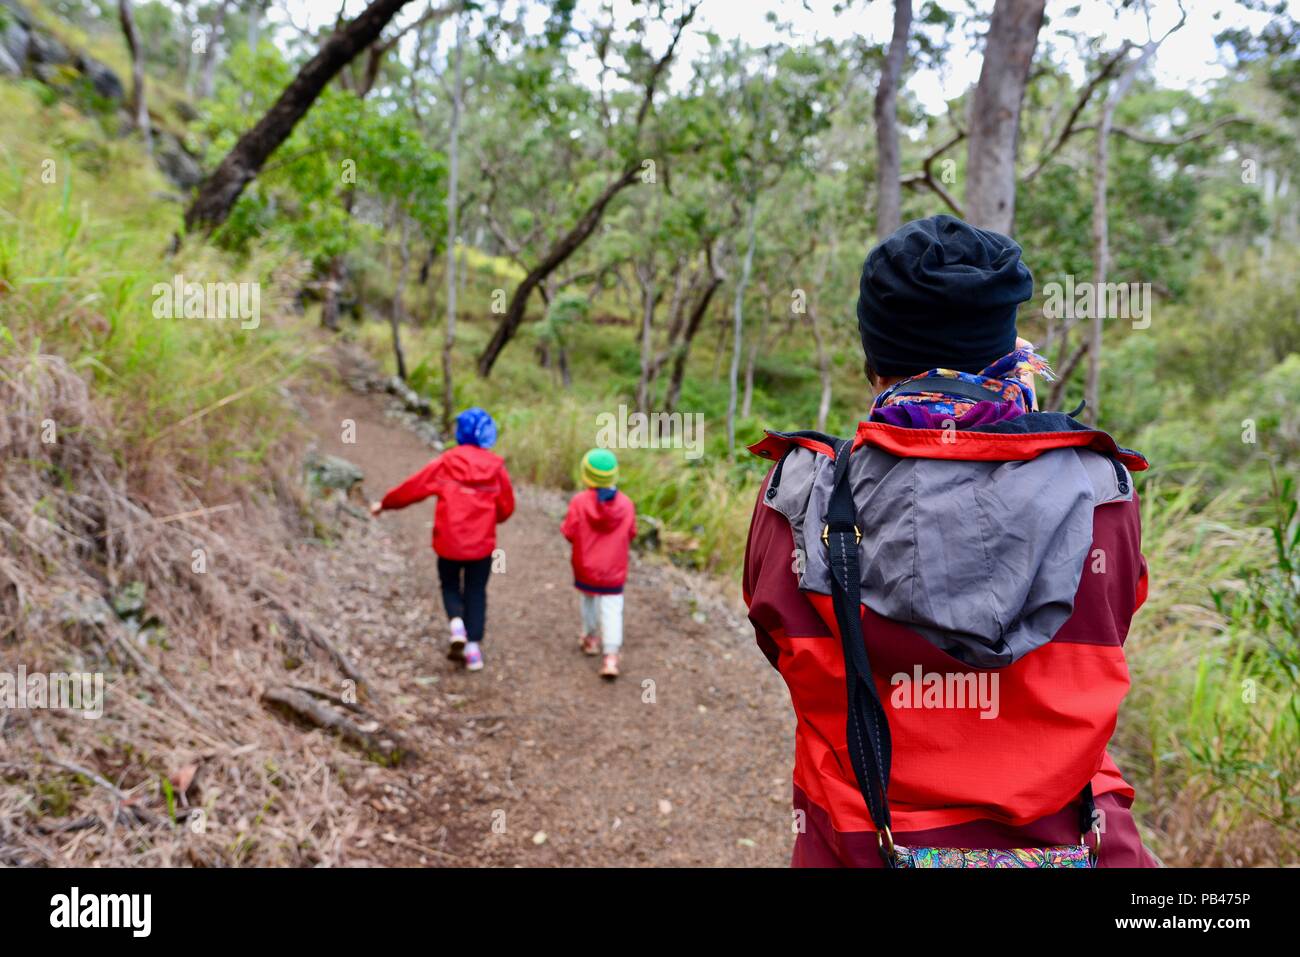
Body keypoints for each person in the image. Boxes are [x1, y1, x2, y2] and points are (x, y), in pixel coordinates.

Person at [743, 214, 1157, 867]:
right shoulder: (1101, 493)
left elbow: (779, 642)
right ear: (1004, 346)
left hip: (859, 843)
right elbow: (1113, 623)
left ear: (873, 357)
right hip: (1070, 843)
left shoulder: (797, 495)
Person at [371, 407, 514, 672]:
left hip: (448, 543)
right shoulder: (496, 468)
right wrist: (488, 519)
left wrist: (386, 504)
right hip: (481, 546)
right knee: (475, 591)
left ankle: (456, 625)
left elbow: (412, 488)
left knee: (449, 585)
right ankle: (473, 651)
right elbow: (506, 508)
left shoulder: (447, 462)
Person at [561, 449, 636, 680]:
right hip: (614, 568)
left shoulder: (579, 502)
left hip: (586, 566)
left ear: (586, 475)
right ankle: (611, 657)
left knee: (589, 600)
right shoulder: (626, 504)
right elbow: (631, 533)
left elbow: (569, 531)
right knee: (613, 609)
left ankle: (590, 639)